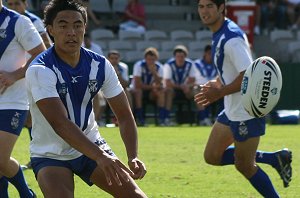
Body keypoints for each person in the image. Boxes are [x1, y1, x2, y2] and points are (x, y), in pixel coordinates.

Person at [25, 0, 147, 197]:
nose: (71, 32)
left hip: (91, 144)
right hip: (50, 153)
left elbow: (124, 114)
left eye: (77, 25)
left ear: (85, 27)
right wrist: (100, 157)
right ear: (50, 30)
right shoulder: (40, 69)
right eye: (63, 25)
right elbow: (60, 124)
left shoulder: (100, 65)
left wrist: (133, 156)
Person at [195, 0, 292, 197]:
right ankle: (275, 158)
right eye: (201, 6)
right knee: (212, 155)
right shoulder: (220, 31)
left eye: (209, 6)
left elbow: (248, 75)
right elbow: (231, 70)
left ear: (221, 7)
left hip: (246, 111)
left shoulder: (231, 39)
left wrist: (218, 93)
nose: (204, 11)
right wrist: (217, 82)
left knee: (245, 166)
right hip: (232, 107)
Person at [0, 0, 46, 197]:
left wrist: (14, 75)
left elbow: (41, 54)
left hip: (13, 101)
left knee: (0, 159)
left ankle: (26, 193)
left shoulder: (18, 21)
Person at [131, 47, 166, 126]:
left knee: (161, 93)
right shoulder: (139, 65)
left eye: (152, 59)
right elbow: (137, 85)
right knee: (138, 92)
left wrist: (154, 72)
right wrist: (153, 87)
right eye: (148, 59)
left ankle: (162, 119)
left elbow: (160, 84)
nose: (150, 62)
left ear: (156, 59)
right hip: (139, 91)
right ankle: (140, 119)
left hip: (151, 92)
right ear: (145, 58)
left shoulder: (159, 67)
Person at [164, 45, 197, 126]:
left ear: (185, 56)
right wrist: (181, 86)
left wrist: (188, 86)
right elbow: (167, 83)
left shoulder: (190, 64)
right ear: (175, 56)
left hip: (186, 90)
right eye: (178, 56)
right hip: (173, 90)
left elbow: (193, 80)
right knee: (169, 91)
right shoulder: (169, 65)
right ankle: (166, 118)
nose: (180, 58)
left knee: (197, 91)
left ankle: (203, 118)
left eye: (182, 56)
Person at [193, 44, 219, 126]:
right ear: (205, 53)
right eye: (209, 53)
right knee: (198, 90)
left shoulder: (217, 64)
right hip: (200, 86)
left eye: (212, 53)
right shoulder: (196, 64)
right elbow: (196, 79)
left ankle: (217, 117)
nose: (211, 56)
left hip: (214, 88)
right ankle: (203, 118)